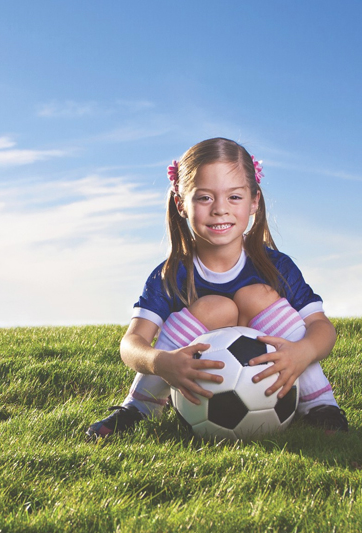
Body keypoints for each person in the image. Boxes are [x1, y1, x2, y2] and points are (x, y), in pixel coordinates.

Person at [86, 137, 348, 439]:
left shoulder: (277, 266)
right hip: (201, 377)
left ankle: (320, 406)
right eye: (204, 198)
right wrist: (161, 362)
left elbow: (322, 328)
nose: (220, 209)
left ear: (254, 202)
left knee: (256, 295)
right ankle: (140, 407)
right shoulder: (171, 274)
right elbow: (131, 344)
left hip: (270, 372)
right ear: (181, 203)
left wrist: (303, 352)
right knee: (216, 308)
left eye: (234, 197)